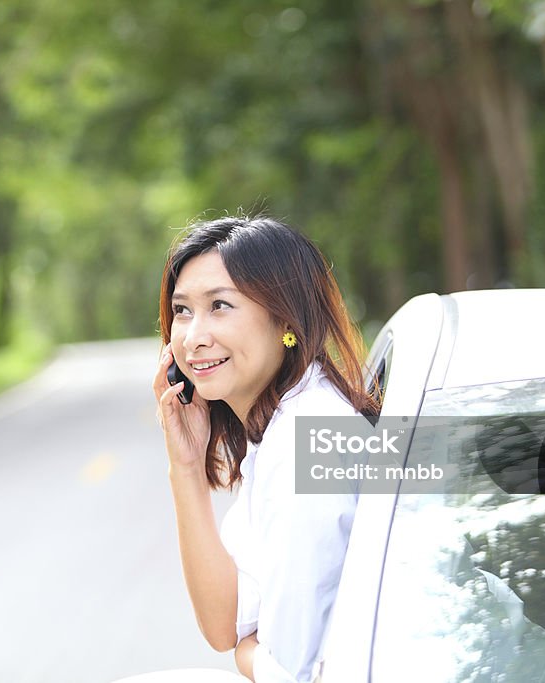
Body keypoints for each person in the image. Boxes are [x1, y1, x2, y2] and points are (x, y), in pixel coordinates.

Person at [152, 215, 380, 682]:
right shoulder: (281, 429)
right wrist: (187, 467)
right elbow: (224, 622)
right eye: (182, 310)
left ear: (285, 320)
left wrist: (247, 655)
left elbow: (290, 675)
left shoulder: (308, 440)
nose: (193, 337)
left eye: (220, 305)